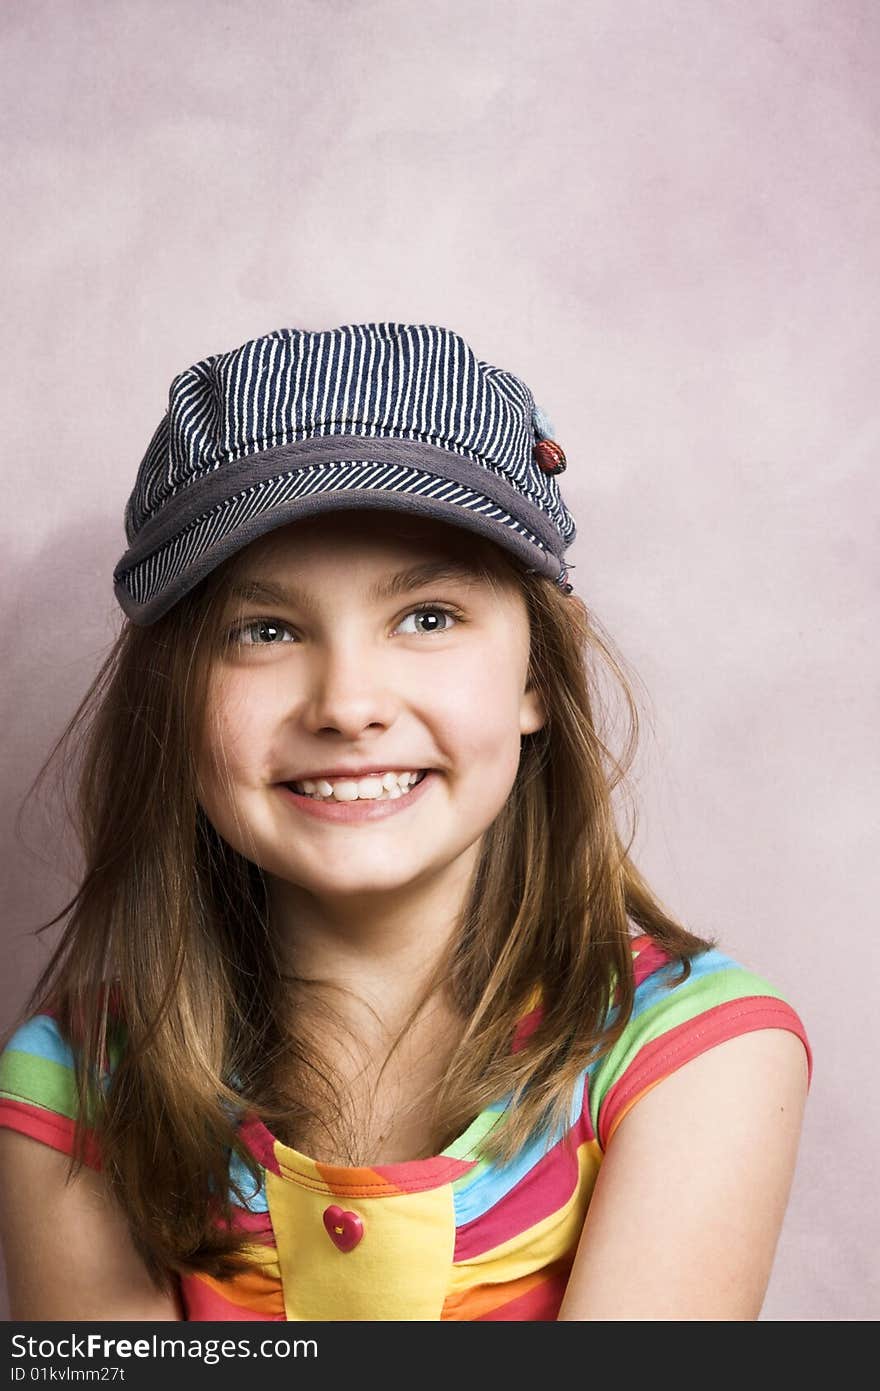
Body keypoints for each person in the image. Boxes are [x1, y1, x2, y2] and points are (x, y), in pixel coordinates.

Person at [0, 323, 810, 1322]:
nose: (347, 703)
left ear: (536, 676)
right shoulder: (73, 1086)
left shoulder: (696, 1057)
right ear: (170, 700)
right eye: (265, 630)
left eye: (427, 616)